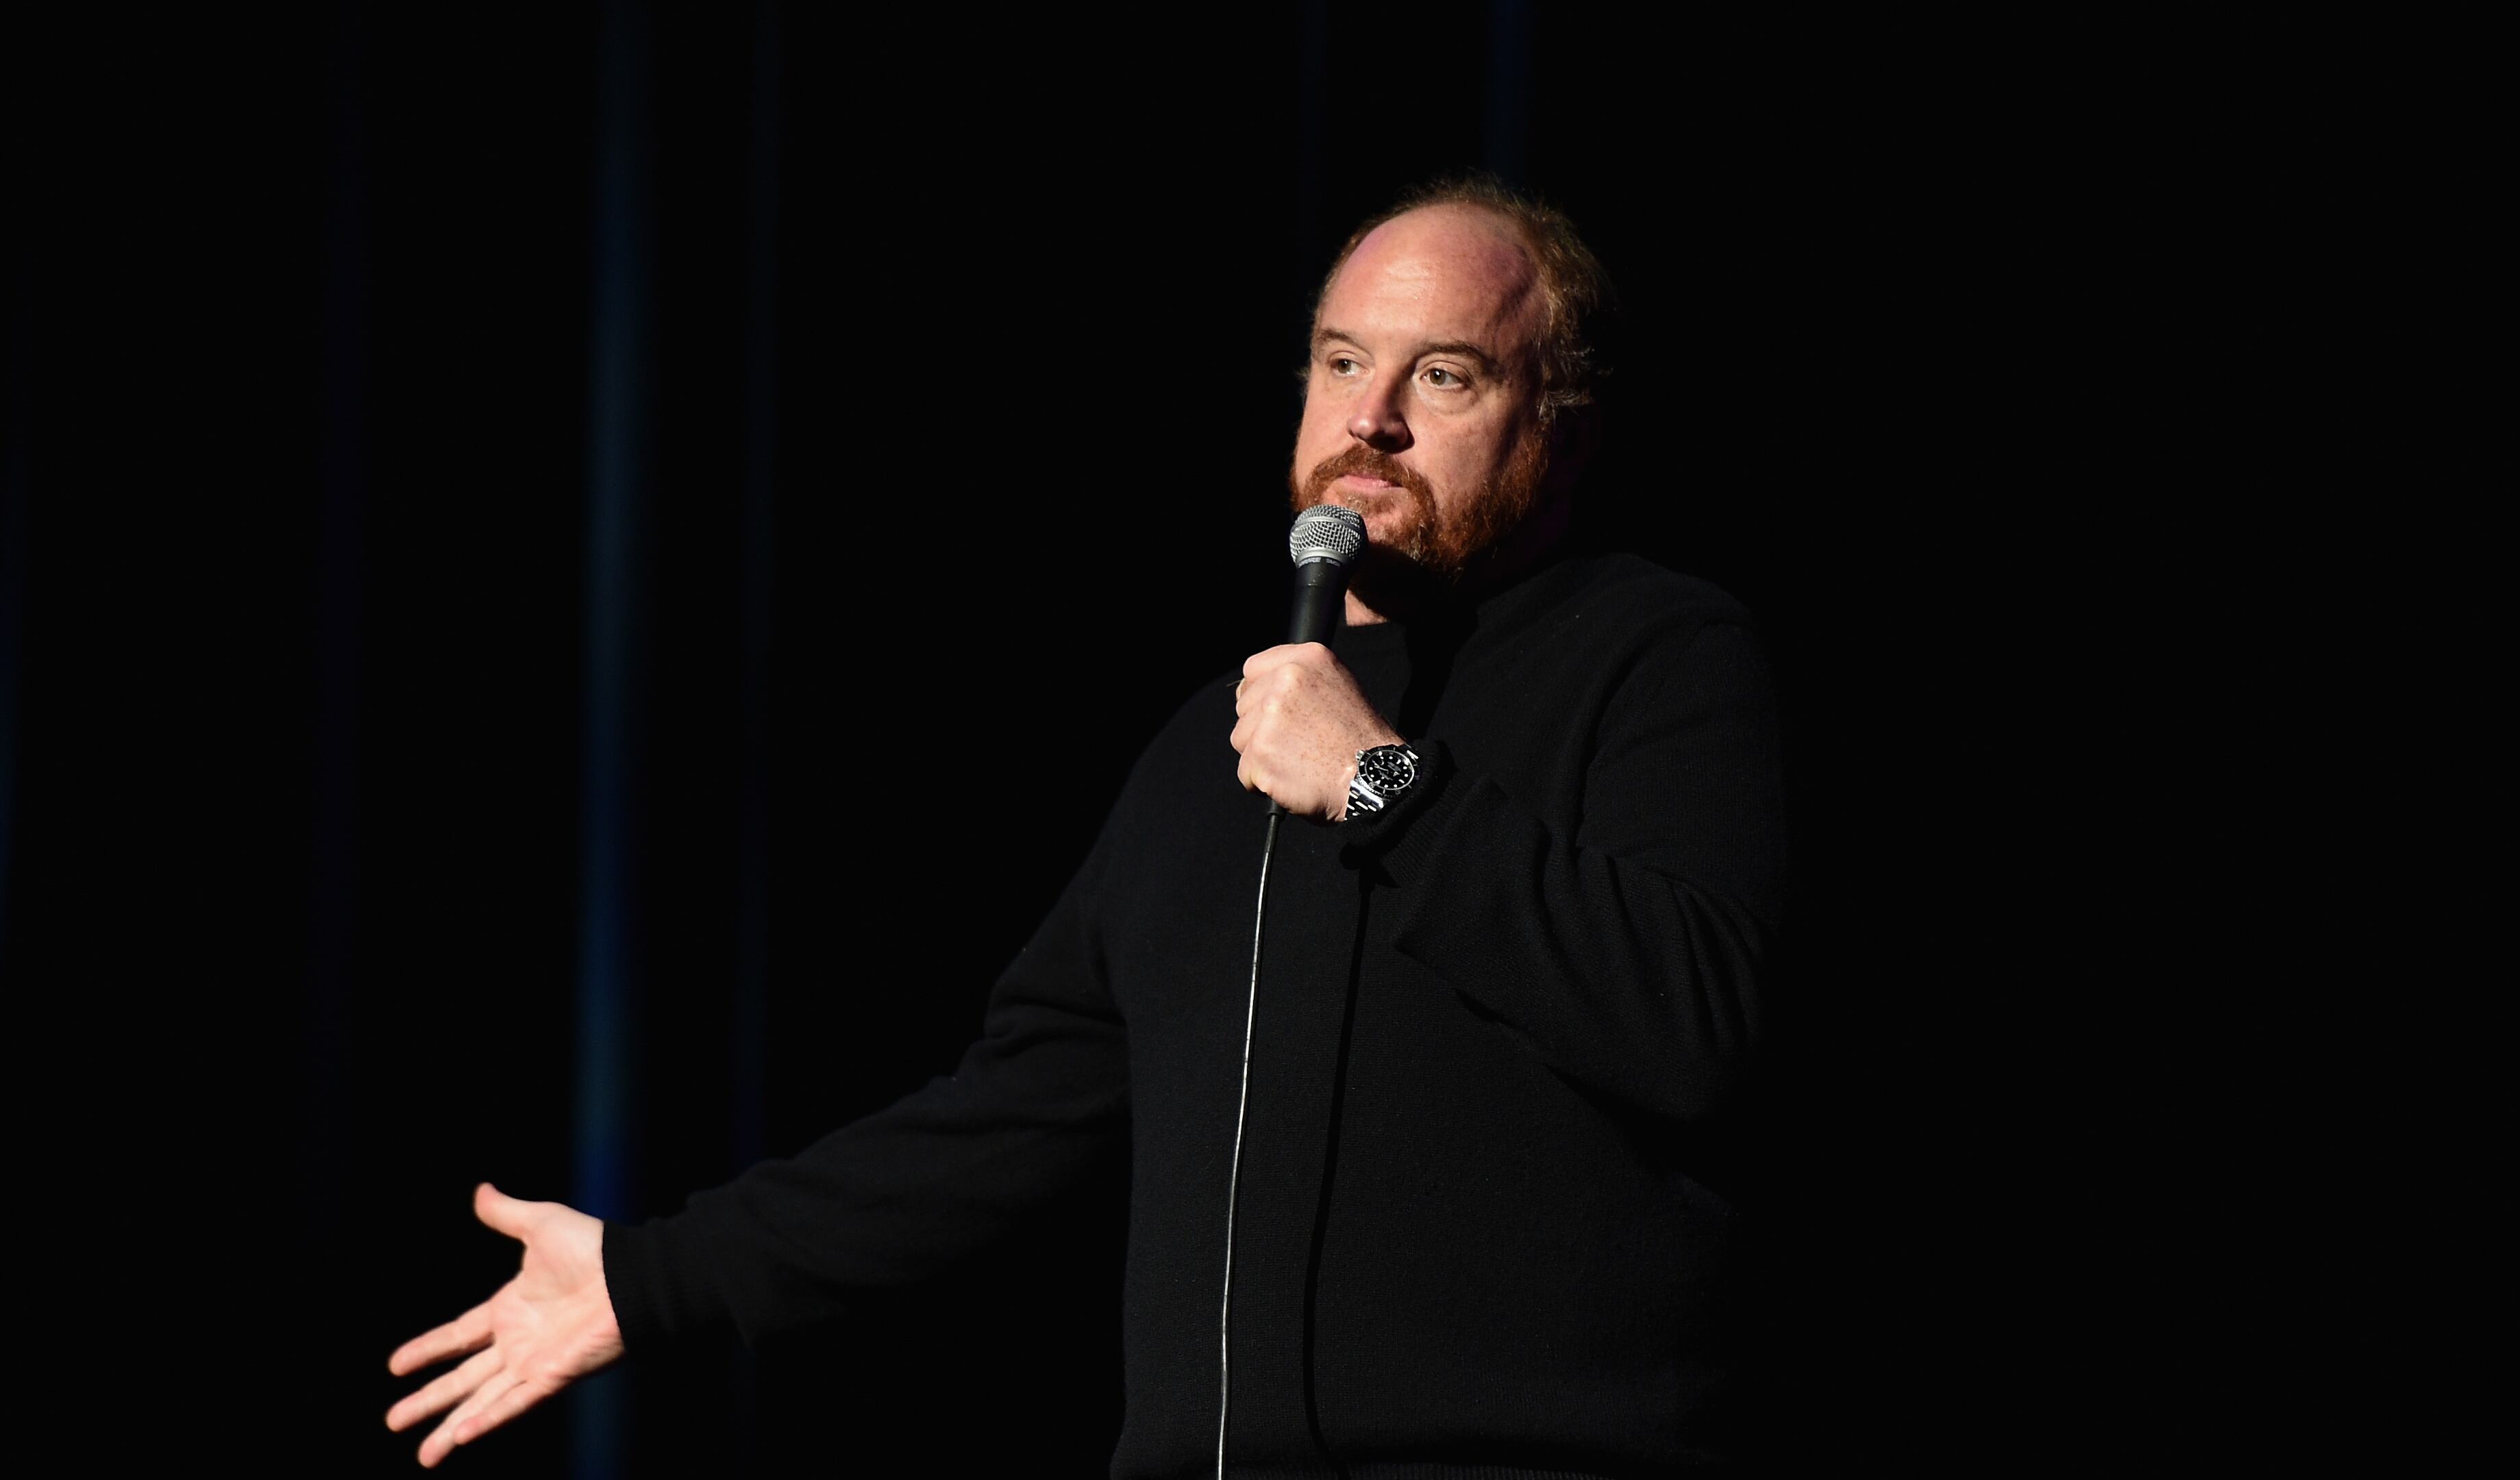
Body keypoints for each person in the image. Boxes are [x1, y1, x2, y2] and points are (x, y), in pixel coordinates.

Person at [388, 178, 1786, 1475]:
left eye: (1447, 374)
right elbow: (1007, 1119)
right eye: (1343, 361)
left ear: (1562, 424)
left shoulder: (1654, 653)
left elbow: (1701, 1023)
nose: (1372, 418)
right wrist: (659, 1277)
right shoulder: (1212, 750)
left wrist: (1383, 788)